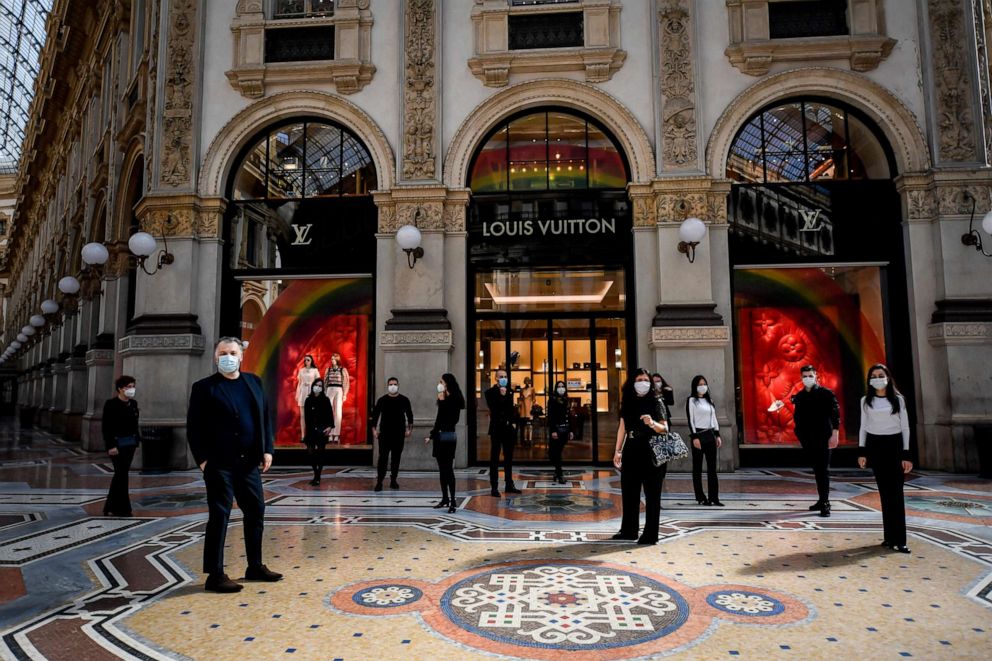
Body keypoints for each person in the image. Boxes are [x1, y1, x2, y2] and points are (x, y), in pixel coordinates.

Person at [187, 337, 282, 593]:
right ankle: (215, 574)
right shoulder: (205, 387)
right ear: (215, 357)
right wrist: (203, 461)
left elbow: (264, 417)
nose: (227, 356)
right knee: (220, 515)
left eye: (232, 352)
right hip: (219, 464)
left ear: (241, 356)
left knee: (256, 511)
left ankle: (255, 565)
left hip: (249, 462)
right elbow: (194, 427)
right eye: (222, 353)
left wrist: (267, 449)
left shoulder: (253, 382)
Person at [857, 364, 913, 553]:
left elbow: (905, 428)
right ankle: (889, 537)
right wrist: (862, 451)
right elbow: (863, 427)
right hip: (876, 447)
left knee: (896, 493)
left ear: (888, 378)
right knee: (884, 493)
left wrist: (906, 453)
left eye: (881, 375)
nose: (877, 379)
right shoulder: (866, 401)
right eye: (873, 376)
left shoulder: (898, 400)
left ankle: (901, 539)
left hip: (895, 447)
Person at [612, 368, 670, 545]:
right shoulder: (628, 401)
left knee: (652, 495)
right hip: (631, 448)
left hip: (651, 449)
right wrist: (618, 451)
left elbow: (665, 428)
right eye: (639, 379)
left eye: (646, 379)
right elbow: (622, 427)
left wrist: (652, 423)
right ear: (633, 382)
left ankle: (651, 534)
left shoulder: (656, 401)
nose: (643, 382)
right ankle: (629, 530)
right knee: (629, 492)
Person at [790, 364, 840, 517]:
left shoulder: (826, 394)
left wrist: (835, 433)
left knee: (823, 470)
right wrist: (799, 434)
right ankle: (821, 499)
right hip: (808, 438)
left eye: (810, 376)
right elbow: (797, 417)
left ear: (816, 376)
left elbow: (835, 414)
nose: (807, 378)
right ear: (801, 377)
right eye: (804, 376)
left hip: (824, 437)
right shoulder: (800, 396)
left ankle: (825, 503)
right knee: (817, 470)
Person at [425, 373, 464, 513]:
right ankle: (445, 498)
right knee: (442, 470)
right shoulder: (443, 397)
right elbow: (439, 418)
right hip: (439, 436)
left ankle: (453, 500)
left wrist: (443, 401)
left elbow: (452, 419)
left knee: (448, 469)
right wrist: (432, 435)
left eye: (441, 381)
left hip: (448, 436)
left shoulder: (455, 398)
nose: (439, 384)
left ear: (447, 383)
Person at [102, 375, 140, 517]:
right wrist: (110, 445)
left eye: (133, 386)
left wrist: (136, 440)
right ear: (120, 389)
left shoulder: (133, 404)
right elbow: (107, 427)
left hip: (129, 444)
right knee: (121, 474)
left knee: (121, 475)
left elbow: (135, 423)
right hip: (116, 445)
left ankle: (111, 506)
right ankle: (124, 508)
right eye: (128, 387)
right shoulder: (111, 404)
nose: (131, 389)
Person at [371, 377, 414, 492]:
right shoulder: (382, 400)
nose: (393, 386)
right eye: (390, 384)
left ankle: (393, 480)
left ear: (398, 385)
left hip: (399, 434)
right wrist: (374, 430)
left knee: (396, 458)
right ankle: (379, 481)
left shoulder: (404, 400)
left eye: (395, 384)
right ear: (387, 386)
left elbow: (410, 415)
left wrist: (409, 429)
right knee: (383, 458)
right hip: (384, 434)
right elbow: (375, 416)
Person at [686, 374, 723, 506]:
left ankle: (714, 497)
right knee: (698, 468)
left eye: (704, 384)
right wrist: (694, 437)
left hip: (710, 434)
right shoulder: (691, 400)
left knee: (712, 468)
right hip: (698, 435)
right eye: (700, 384)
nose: (703, 387)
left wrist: (717, 434)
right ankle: (700, 497)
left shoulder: (710, 401)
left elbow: (714, 418)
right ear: (695, 386)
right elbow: (691, 420)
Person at [485, 369, 520, 497]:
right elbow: (494, 410)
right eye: (501, 376)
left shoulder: (510, 391)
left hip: (508, 429)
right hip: (496, 429)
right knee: (494, 458)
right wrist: (502, 396)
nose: (504, 378)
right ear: (496, 378)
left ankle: (509, 484)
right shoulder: (490, 392)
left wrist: (513, 422)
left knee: (508, 458)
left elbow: (511, 409)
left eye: (505, 376)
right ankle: (494, 487)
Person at [303, 378, 334, 486]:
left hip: (322, 429)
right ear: (313, 386)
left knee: (320, 453)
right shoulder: (308, 400)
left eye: (320, 386)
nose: (318, 387)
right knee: (311, 453)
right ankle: (315, 473)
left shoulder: (325, 400)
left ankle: (318, 477)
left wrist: (329, 427)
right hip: (311, 430)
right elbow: (306, 417)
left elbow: (330, 414)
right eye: (316, 385)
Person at [547, 380, 572, 484]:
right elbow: (551, 416)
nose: (561, 388)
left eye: (563, 386)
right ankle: (559, 473)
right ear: (556, 388)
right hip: (556, 431)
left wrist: (570, 431)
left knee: (558, 452)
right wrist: (553, 431)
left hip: (564, 431)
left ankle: (559, 474)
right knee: (553, 453)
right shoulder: (552, 400)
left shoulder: (566, 400)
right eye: (559, 386)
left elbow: (568, 417)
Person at [324, 352, 350, 442]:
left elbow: (346, 382)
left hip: (339, 389)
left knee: (338, 411)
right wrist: (324, 392)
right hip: (329, 389)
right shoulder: (328, 369)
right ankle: (330, 433)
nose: (332, 360)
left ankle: (336, 433)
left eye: (334, 359)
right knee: (328, 411)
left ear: (337, 359)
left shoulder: (342, 369)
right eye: (331, 359)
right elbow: (325, 382)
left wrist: (345, 394)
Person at [296, 355, 320, 441]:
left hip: (311, 392)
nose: (306, 361)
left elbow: (318, 383)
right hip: (303, 391)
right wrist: (297, 394)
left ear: (311, 361)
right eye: (305, 360)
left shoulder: (315, 370)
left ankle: (312, 435)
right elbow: (299, 383)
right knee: (302, 415)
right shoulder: (301, 370)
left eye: (308, 360)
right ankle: (303, 436)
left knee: (312, 415)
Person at [518, 377, 535, 445]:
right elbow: (520, 399)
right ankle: (524, 440)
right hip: (523, 408)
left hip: (529, 408)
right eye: (526, 381)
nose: (527, 382)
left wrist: (532, 405)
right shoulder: (522, 390)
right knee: (524, 426)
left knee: (530, 426)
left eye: (528, 381)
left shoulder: (532, 389)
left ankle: (530, 440)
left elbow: (534, 399)